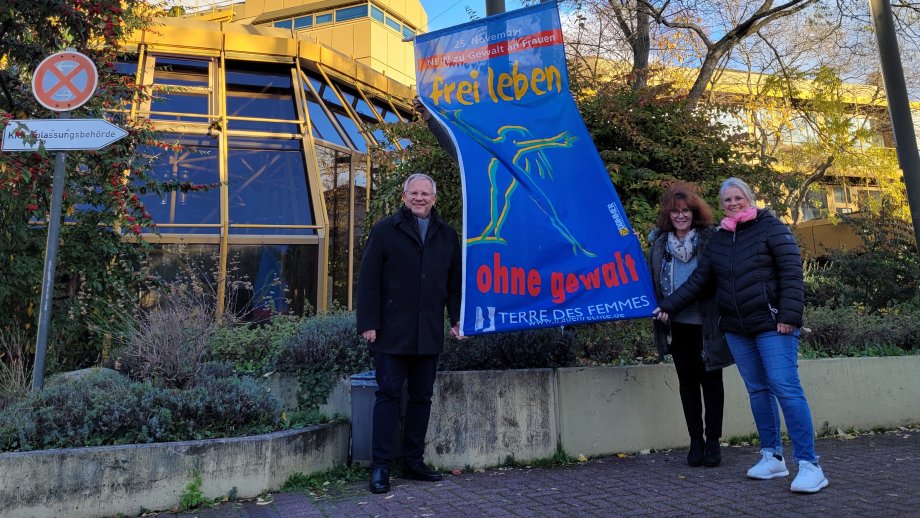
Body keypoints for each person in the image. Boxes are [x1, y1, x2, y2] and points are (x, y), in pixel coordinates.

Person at [653, 177, 828, 493]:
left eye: (738, 198)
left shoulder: (770, 227)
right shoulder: (721, 238)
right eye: (727, 201)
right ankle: (772, 456)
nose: (733, 204)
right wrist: (667, 305)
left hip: (773, 324)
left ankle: (809, 464)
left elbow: (791, 271)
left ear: (750, 198)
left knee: (785, 388)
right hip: (736, 328)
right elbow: (699, 281)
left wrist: (789, 316)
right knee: (758, 391)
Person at [356, 172, 462, 494]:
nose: (419, 198)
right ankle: (381, 468)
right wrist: (368, 323)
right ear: (404, 197)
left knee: (422, 398)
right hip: (391, 333)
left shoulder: (447, 235)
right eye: (413, 193)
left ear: (433, 198)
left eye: (425, 194)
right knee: (388, 397)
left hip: (428, 332)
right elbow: (368, 279)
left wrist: (457, 320)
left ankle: (413, 462)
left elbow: (454, 285)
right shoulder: (385, 230)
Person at [648, 183, 732, 468]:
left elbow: (711, 279)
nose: (681, 216)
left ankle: (713, 442)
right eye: (675, 212)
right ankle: (695, 441)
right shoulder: (659, 243)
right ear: (668, 215)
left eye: (685, 211)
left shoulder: (711, 239)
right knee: (687, 385)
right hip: (676, 326)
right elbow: (652, 279)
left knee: (711, 382)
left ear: (694, 213)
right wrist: (660, 307)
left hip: (707, 323)